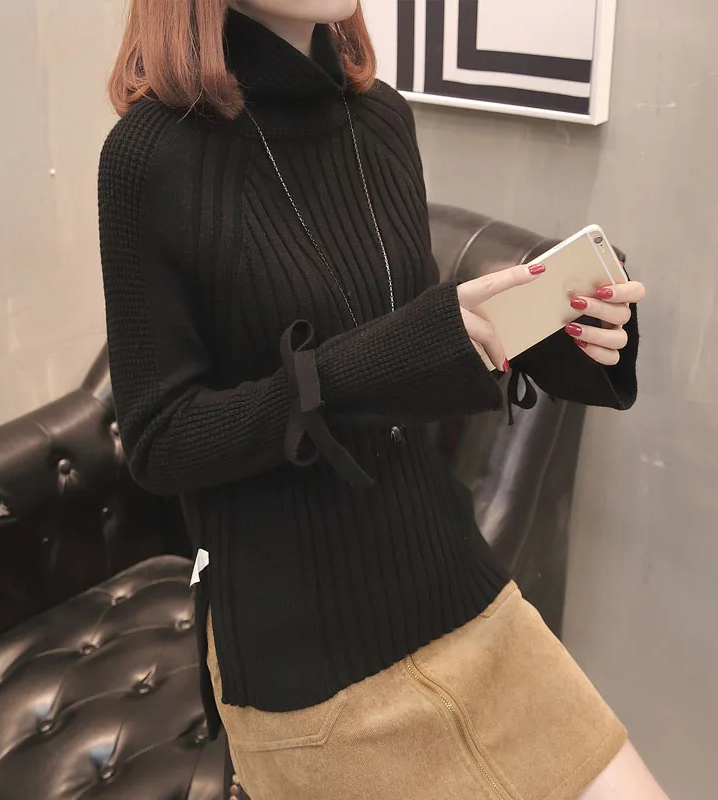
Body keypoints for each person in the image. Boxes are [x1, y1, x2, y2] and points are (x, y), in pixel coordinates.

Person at [98, 1, 661, 798]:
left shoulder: (383, 119)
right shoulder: (149, 155)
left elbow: (400, 344)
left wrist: (548, 331)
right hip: (305, 658)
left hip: (456, 589)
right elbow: (162, 439)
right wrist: (383, 357)